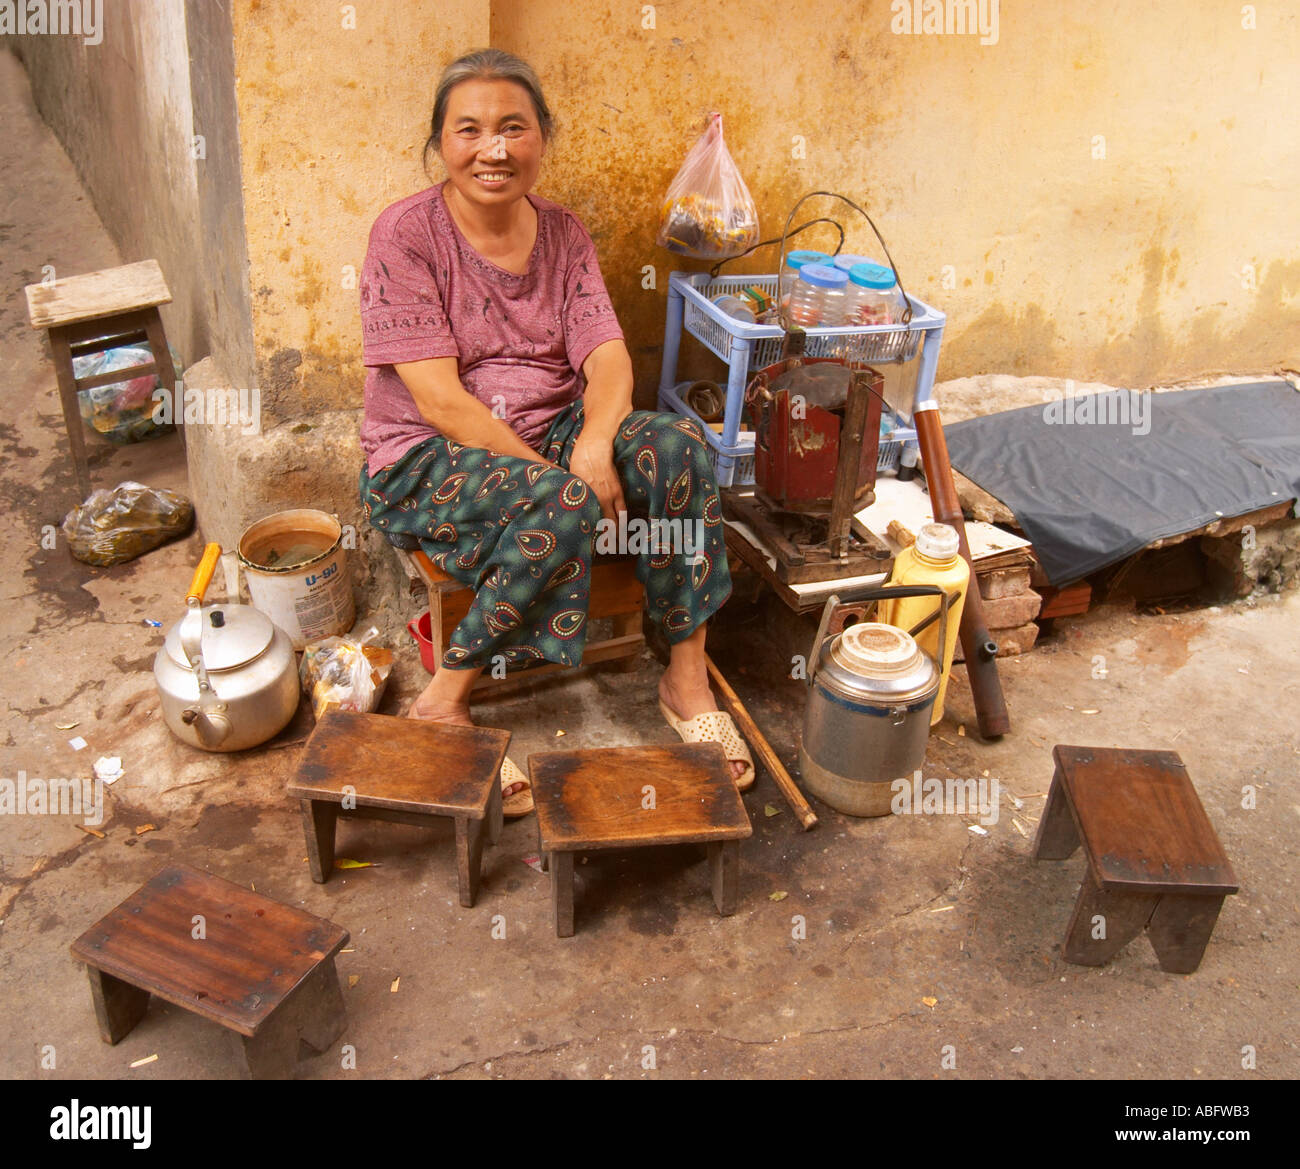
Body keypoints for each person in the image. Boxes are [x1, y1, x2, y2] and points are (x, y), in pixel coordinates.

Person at [358, 48, 754, 816]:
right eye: (469, 129)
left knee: (677, 446)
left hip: (553, 430)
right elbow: (440, 401)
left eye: (515, 127)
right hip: (429, 455)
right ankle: (445, 701)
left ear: (542, 136)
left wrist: (595, 439)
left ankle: (685, 675)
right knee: (563, 506)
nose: (494, 149)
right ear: (441, 141)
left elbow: (606, 356)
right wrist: (562, 477)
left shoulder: (565, 234)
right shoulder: (405, 237)